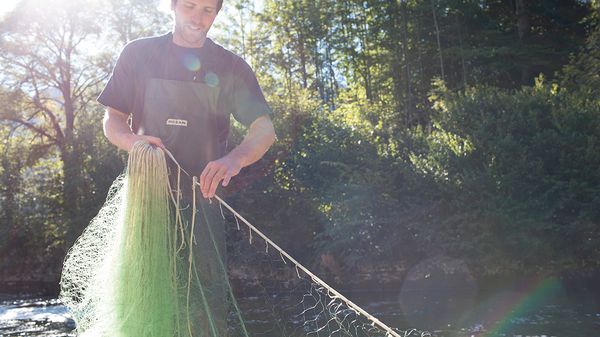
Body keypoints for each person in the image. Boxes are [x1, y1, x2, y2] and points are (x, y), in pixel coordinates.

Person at [97, 0, 276, 335]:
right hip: (146, 200)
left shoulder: (230, 66)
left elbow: (264, 130)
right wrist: (133, 142)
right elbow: (113, 120)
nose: (198, 17)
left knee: (202, 304)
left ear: (218, 13)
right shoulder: (138, 54)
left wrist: (233, 159)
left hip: (203, 204)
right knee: (146, 299)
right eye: (190, 6)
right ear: (173, 6)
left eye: (208, 9)